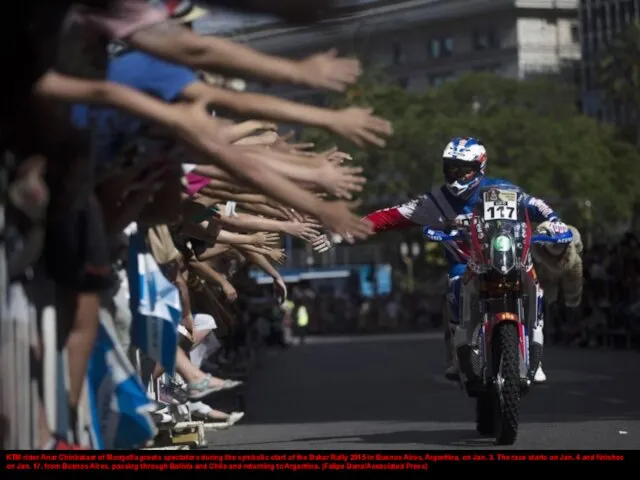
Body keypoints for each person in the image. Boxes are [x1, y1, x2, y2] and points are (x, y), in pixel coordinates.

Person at [313, 137, 570, 384]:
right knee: (456, 284)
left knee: (533, 284)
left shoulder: (499, 191)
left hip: (507, 257)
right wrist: (339, 233)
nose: (457, 176)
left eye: (465, 170)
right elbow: (388, 218)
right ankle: (460, 353)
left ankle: (536, 353)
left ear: (479, 168)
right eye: (452, 169)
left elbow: (536, 206)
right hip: (467, 263)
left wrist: (555, 222)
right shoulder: (433, 202)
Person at [531, 221, 583, 344]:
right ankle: (550, 329)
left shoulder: (573, 249)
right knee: (547, 298)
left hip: (567, 267)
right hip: (545, 271)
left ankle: (571, 327)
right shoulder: (537, 248)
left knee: (573, 297)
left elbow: (579, 250)